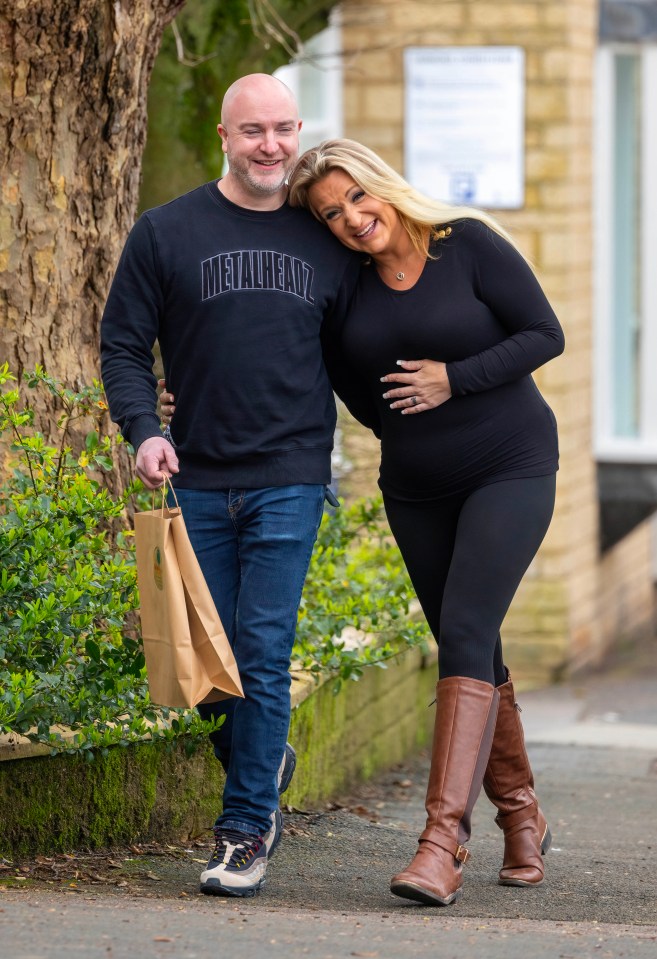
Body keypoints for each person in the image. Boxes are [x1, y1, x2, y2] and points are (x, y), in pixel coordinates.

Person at [284, 138, 565, 907]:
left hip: (509, 465)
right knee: (470, 640)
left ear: (382, 187)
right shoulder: (345, 287)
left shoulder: (464, 245)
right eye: (330, 213)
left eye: (355, 199)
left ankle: (442, 841)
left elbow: (544, 334)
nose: (350, 218)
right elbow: (353, 390)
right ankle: (522, 816)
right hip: (415, 487)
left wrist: (453, 380)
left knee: (468, 629)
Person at [100, 77, 360, 899]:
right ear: (224, 134)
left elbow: (367, 339)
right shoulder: (165, 232)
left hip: (289, 475)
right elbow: (121, 345)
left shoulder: (325, 239)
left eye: (284, 129)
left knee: (261, 652)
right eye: (255, 131)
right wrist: (145, 428)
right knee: (209, 669)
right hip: (199, 479)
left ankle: (245, 828)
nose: (272, 146)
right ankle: (263, 754)